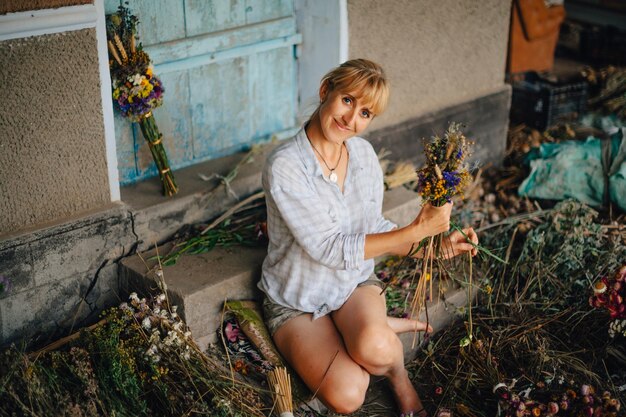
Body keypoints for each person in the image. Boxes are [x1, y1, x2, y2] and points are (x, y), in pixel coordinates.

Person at [258, 59, 478, 416]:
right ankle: (367, 328)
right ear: (325, 89)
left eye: (365, 113)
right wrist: (414, 230)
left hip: (352, 284)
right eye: (347, 100)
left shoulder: (362, 154)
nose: (351, 120)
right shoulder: (285, 165)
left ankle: (398, 378)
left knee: (375, 347)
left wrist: (431, 247)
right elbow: (328, 248)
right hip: (297, 299)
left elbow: (374, 225)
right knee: (348, 396)